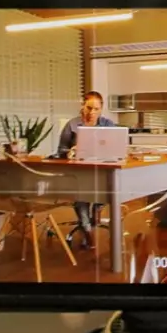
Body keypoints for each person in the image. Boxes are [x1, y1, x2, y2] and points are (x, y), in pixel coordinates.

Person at [55, 90, 116, 249]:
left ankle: (95, 213)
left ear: (101, 109)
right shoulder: (72, 125)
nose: (92, 112)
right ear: (83, 106)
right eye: (89, 108)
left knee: (103, 189)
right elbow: (61, 150)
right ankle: (88, 230)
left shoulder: (108, 125)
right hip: (79, 172)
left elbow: (116, 146)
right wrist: (70, 151)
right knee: (82, 196)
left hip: (101, 172)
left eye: (96, 109)